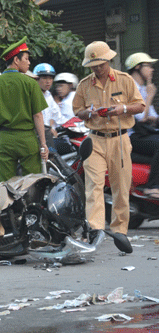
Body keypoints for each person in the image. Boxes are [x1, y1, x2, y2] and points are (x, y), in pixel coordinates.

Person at [72, 41, 145, 254]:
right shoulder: (85, 85)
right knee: (93, 185)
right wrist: (90, 112)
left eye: (100, 64)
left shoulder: (124, 80)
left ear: (108, 60)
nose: (97, 68)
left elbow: (140, 106)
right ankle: (95, 229)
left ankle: (120, 230)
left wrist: (121, 108)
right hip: (94, 139)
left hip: (120, 139)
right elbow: (78, 110)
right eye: (93, 65)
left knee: (121, 186)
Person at [0, 36, 49, 182]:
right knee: (32, 183)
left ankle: (8, 206)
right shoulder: (30, 83)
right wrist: (43, 143)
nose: (29, 63)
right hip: (27, 140)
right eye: (26, 59)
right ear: (16, 60)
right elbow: (37, 115)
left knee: (5, 187)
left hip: (4, 141)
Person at [124, 52, 159, 197]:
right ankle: (153, 187)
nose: (152, 69)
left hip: (145, 133)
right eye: (148, 66)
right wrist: (150, 96)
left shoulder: (144, 88)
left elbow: (153, 118)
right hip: (132, 137)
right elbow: (140, 119)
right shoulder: (129, 88)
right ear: (137, 67)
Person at [33, 63, 63, 141]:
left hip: (47, 135)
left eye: (50, 78)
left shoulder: (48, 95)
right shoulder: (32, 94)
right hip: (34, 135)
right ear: (36, 79)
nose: (48, 82)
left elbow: (55, 115)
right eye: (45, 78)